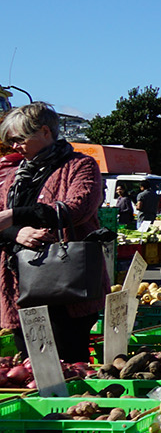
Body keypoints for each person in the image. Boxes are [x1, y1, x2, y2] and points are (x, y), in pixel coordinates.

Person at [0, 103, 108, 364]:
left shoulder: (81, 165)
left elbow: (76, 209)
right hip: (18, 286)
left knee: (69, 361)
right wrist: (17, 234)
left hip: (65, 283)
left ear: (45, 132)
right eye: (10, 141)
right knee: (28, 365)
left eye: (19, 139)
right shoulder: (14, 174)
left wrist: (15, 216)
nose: (14, 147)